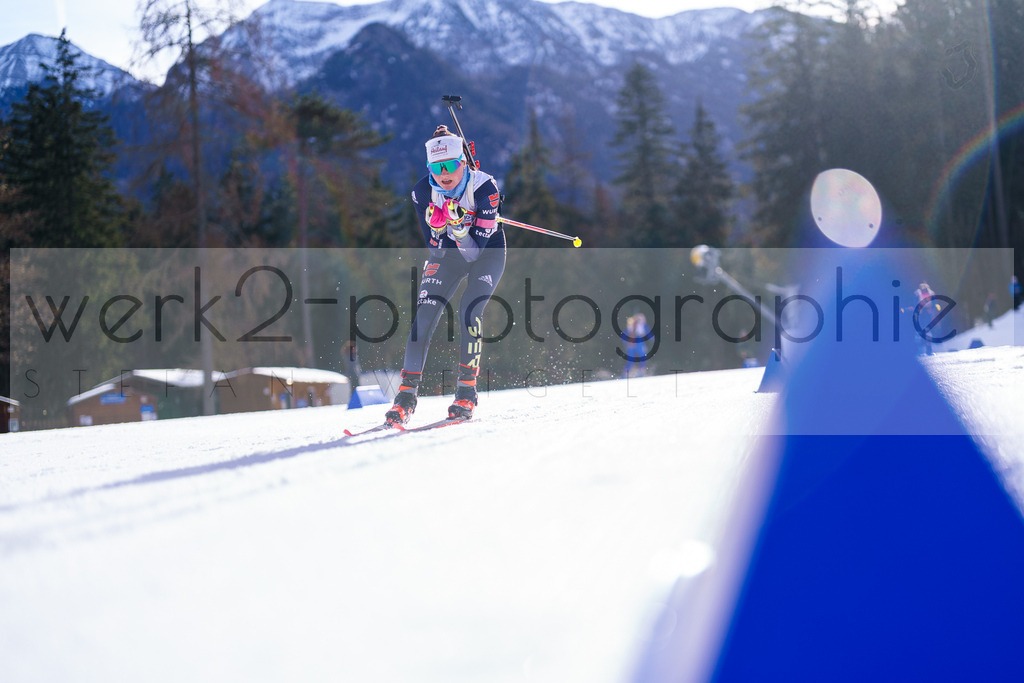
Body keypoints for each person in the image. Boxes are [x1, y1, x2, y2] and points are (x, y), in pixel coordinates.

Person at [384, 125, 506, 424]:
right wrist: (439, 231)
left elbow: (473, 254)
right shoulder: (422, 192)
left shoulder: (485, 189)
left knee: (469, 311)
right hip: (449, 254)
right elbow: (436, 251)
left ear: (463, 162)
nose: (444, 174)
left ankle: (466, 393)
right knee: (424, 315)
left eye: (450, 165)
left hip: (486, 252)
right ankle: (405, 398)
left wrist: (460, 229)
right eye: (436, 167)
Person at [621, 313, 651, 378]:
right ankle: (639, 372)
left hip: (632, 343)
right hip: (637, 342)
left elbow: (624, 336)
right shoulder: (640, 326)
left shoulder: (633, 325)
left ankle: (625, 374)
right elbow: (649, 334)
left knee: (632, 360)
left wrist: (626, 342)